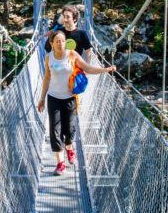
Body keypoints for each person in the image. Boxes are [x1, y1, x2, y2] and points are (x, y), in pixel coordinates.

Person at [37, 28, 116, 174]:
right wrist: (42, 98)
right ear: (52, 43)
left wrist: (105, 70)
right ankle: (60, 164)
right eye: (57, 41)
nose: (61, 43)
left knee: (70, 130)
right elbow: (47, 77)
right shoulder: (49, 57)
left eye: (63, 41)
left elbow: (88, 68)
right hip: (53, 97)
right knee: (55, 131)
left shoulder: (72, 54)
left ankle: (69, 147)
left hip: (70, 98)